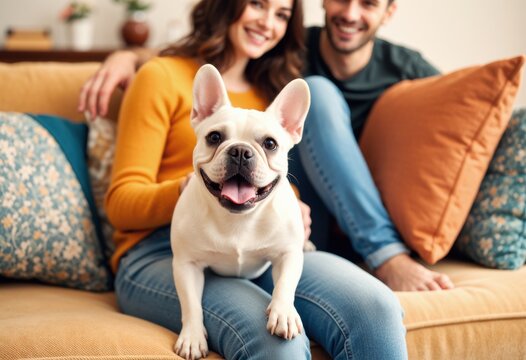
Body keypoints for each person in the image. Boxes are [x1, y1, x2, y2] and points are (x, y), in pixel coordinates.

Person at [80, 0, 408, 359]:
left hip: (260, 247)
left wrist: (287, 200)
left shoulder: (273, 89)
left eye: (281, 14)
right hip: (160, 251)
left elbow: (276, 172)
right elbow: (120, 204)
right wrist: (189, 189)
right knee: (277, 343)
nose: (267, 22)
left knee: (376, 309)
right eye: (257, 4)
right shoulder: (162, 76)